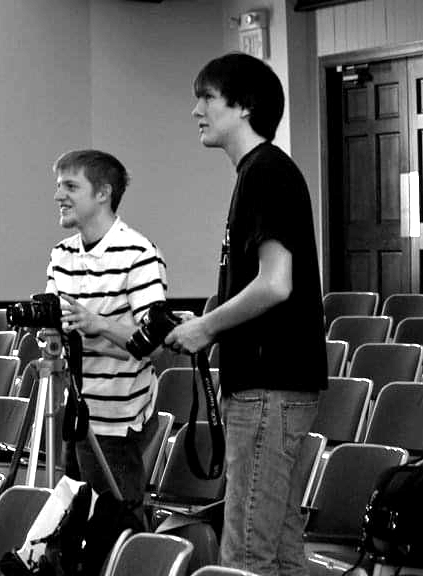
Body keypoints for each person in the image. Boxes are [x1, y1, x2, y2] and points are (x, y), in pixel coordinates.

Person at [165, 53, 326, 576]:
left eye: (207, 98)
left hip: (267, 386)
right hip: (271, 387)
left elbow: (277, 283)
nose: (196, 111)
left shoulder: (266, 173)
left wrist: (206, 327)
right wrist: (208, 318)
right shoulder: (259, 172)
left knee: (246, 558)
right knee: (280, 554)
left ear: (244, 107)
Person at [45, 149, 168, 513]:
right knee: (71, 522)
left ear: (103, 193)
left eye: (70, 187)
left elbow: (154, 344)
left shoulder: (139, 254)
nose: (58, 196)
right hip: (76, 409)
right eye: (58, 186)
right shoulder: (61, 254)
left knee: (115, 524)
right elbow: (59, 324)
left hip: (118, 419)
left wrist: (97, 325)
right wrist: (52, 335)